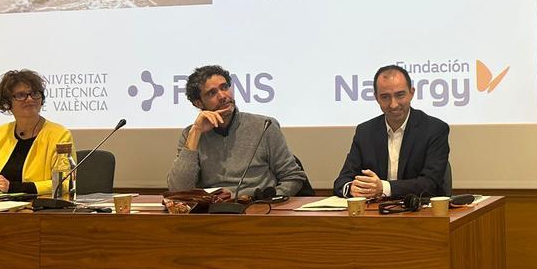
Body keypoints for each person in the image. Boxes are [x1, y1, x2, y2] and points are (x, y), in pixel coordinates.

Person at [166, 64, 306, 199]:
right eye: (212, 93)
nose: (223, 96)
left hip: (259, 207)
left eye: (224, 87)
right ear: (199, 103)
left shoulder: (264, 126)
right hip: (213, 210)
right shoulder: (191, 134)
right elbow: (178, 190)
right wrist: (196, 131)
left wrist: (267, 200)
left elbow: (293, 177)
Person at [332, 65, 450, 201]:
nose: (393, 104)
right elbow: (342, 181)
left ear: (411, 93)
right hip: (375, 211)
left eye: (400, 95)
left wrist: (384, 188)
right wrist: (352, 188)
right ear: (376, 98)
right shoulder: (365, 132)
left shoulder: (434, 129)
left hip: (419, 210)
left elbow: (430, 184)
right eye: (385, 97)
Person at [0, 69, 74, 195]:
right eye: (21, 95)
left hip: (37, 205)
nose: (30, 99)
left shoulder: (60, 134)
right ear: (7, 103)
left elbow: (66, 183)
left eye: (35, 93)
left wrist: (13, 187)